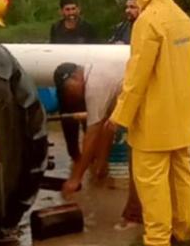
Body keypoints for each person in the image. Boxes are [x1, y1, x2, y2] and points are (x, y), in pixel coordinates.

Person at [108, 0, 190, 246]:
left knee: (151, 179)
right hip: (183, 116)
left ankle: (158, 243)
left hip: (155, 118)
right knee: (182, 173)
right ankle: (185, 230)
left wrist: (120, 115)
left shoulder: (148, 22)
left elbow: (137, 76)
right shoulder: (185, 20)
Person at [55, 62, 143, 229]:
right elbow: (107, 126)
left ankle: (136, 216)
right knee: (137, 158)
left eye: (68, 90)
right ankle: (137, 213)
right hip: (141, 104)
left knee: (138, 159)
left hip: (149, 104)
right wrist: (102, 161)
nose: (71, 97)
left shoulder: (94, 87)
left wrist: (75, 178)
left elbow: (92, 133)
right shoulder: (96, 75)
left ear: (76, 77)